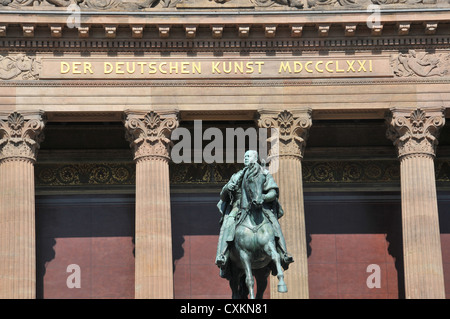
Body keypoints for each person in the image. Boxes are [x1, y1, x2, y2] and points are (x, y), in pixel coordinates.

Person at [215, 150, 293, 273]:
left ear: (255, 158)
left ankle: (284, 254)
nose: (245, 158)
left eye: (248, 156)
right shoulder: (236, 176)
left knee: (274, 222)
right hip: (238, 207)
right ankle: (222, 255)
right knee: (228, 223)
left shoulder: (264, 174)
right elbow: (223, 196)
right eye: (244, 156)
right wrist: (227, 188)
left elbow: (273, 192)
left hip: (260, 205)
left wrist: (264, 197)